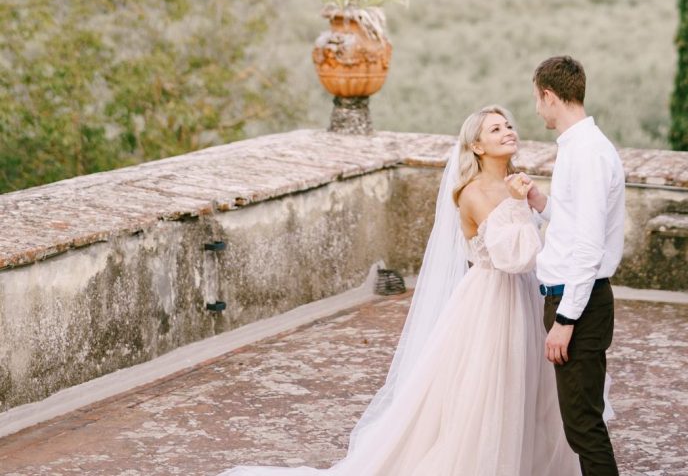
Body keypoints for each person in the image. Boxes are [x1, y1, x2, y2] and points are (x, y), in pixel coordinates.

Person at [218, 105, 580, 476]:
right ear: (477, 145)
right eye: (495, 129)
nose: (507, 131)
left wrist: (529, 202)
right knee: (490, 389)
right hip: (492, 300)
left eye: (508, 125)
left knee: (528, 388)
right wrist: (520, 205)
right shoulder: (473, 193)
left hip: (526, 295)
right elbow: (512, 256)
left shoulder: (518, 182)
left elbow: (536, 248)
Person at [522, 56, 626, 476]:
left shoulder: (587, 154)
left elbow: (587, 248)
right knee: (580, 423)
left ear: (550, 96)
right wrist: (541, 203)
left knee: (583, 427)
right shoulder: (579, 148)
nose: (536, 110)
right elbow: (575, 226)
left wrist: (565, 319)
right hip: (573, 298)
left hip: (577, 303)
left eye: (537, 99)